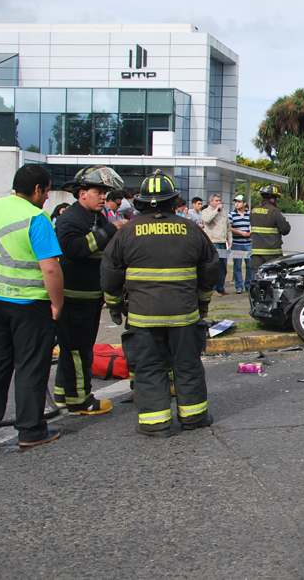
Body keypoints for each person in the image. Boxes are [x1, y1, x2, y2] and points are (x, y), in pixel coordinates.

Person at [101, 170, 219, 437]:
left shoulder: (127, 231)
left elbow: (110, 272)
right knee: (187, 364)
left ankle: (156, 424)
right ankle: (194, 417)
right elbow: (211, 269)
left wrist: (114, 305)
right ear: (173, 201)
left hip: (143, 318)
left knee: (149, 367)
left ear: (141, 201)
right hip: (184, 316)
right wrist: (202, 304)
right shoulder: (191, 229)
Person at [0, 165, 64, 447]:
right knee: (30, 365)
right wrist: (56, 304)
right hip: (28, 303)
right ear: (38, 190)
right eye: (47, 191)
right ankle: (30, 430)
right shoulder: (36, 217)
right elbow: (50, 269)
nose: (47, 197)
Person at [53, 166, 127, 414]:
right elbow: (74, 249)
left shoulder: (95, 217)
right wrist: (110, 230)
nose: (103, 197)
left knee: (75, 347)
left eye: (105, 192)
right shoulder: (70, 219)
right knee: (78, 349)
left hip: (89, 297)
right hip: (75, 298)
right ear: (81, 193)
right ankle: (80, 400)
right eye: (98, 191)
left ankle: (64, 392)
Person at [250, 185, 291, 271]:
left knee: (257, 276)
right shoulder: (274, 211)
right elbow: (285, 229)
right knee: (273, 277)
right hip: (272, 253)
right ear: (272, 198)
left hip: (256, 252)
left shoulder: (253, 211)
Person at [201, 193, 231, 296]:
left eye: (219, 200)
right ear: (211, 202)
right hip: (213, 242)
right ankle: (212, 290)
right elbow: (206, 220)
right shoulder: (206, 211)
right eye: (216, 201)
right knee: (213, 267)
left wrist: (229, 239)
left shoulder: (224, 212)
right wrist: (216, 211)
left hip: (223, 242)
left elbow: (228, 228)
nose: (219, 202)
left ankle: (220, 288)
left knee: (223, 267)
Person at [229, 194, 252, 293]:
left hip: (248, 243)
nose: (237, 204)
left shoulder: (249, 214)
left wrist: (250, 233)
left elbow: (253, 225)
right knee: (237, 265)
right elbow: (229, 227)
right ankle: (239, 286)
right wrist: (240, 232)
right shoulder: (231, 214)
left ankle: (248, 285)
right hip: (237, 243)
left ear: (244, 203)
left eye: (239, 202)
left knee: (250, 265)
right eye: (236, 202)